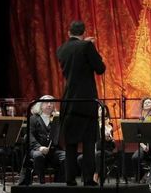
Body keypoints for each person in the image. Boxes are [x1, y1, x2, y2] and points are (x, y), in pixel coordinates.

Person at [56, 20, 106, 186]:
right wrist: (91, 47)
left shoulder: (61, 49)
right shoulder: (86, 46)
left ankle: (69, 179)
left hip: (68, 101)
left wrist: (85, 45)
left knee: (70, 143)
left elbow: (74, 64)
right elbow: (100, 68)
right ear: (83, 32)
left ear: (69, 33)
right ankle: (87, 179)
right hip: (85, 101)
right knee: (88, 142)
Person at [28, 95, 65, 184]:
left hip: (53, 150)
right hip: (37, 149)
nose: (49, 105)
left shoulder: (56, 118)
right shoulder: (33, 118)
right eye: (46, 102)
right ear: (40, 105)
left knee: (65, 157)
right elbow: (30, 135)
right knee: (38, 156)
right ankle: (42, 183)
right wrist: (39, 148)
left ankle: (59, 183)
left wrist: (61, 120)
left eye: (52, 103)